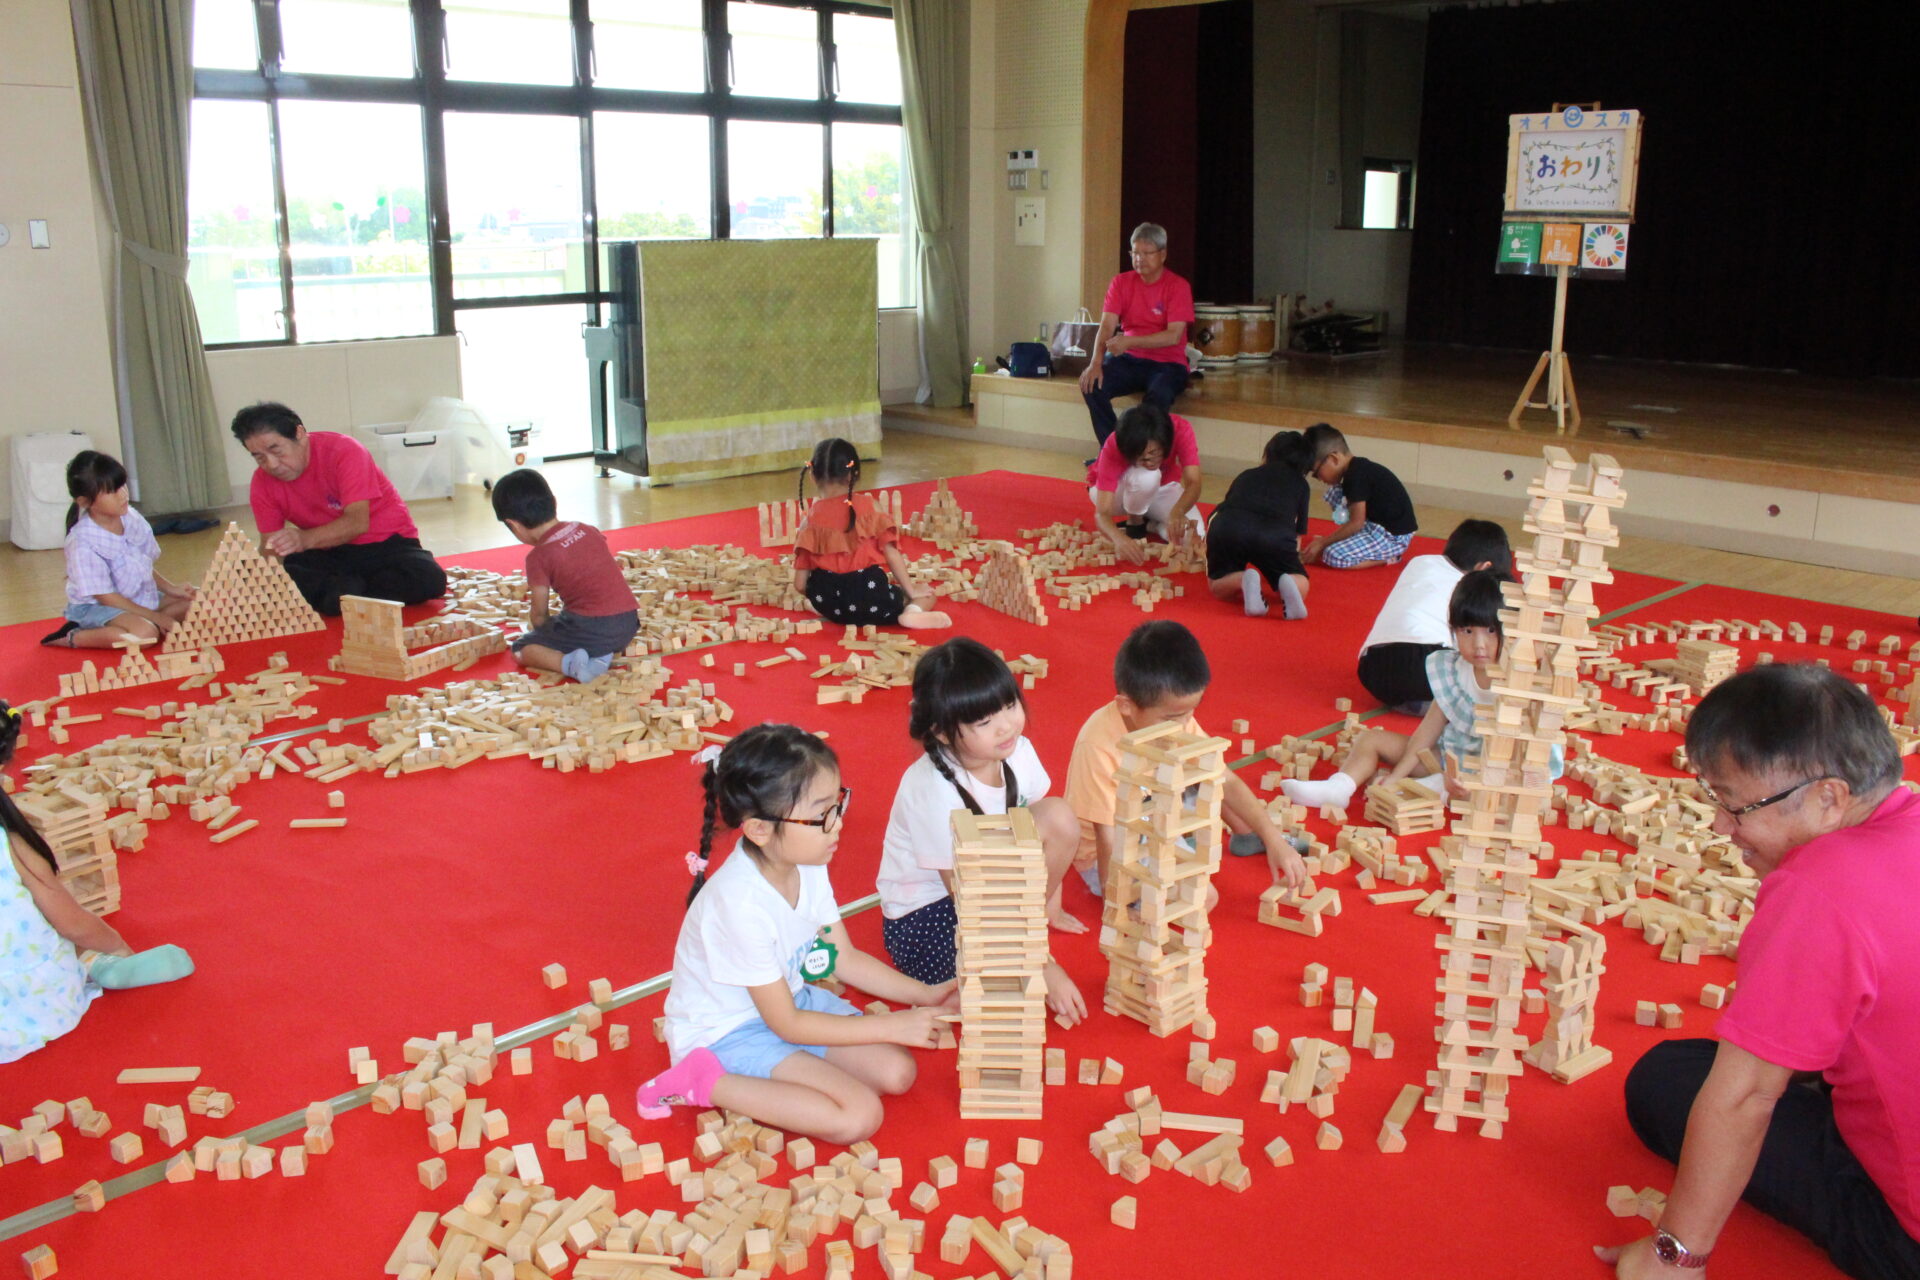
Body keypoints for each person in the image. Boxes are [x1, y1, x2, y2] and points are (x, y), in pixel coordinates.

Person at [1597, 665, 1920, 1280]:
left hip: (1906, 1237)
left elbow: (1746, 1098)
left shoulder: (1819, 888)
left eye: (1735, 805)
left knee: (1667, 1081)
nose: (1721, 826)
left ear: (1829, 799)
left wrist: (1676, 1257)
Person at [636, 725, 957, 1144]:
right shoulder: (738, 905)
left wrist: (926, 995)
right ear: (759, 830)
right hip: (729, 1032)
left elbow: (843, 958)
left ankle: (791, 1070)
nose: (837, 824)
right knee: (858, 1115)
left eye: (838, 804)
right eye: (822, 814)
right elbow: (787, 1024)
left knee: (897, 1072)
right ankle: (702, 1081)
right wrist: (893, 1025)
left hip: (787, 1003)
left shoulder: (807, 861)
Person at [875, 637, 1088, 1027]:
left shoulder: (1017, 750)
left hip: (992, 879)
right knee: (982, 992)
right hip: (930, 911)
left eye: (1009, 705)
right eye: (984, 722)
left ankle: (1025, 924)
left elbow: (1044, 831)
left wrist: (1047, 908)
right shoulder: (932, 791)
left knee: (1058, 815)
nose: (1006, 726)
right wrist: (1039, 960)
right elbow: (964, 897)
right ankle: (1015, 944)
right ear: (942, 732)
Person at [1, 702, 194, 1063]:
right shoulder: (13, 845)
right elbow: (72, 923)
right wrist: (117, 945)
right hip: (32, 1007)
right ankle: (101, 964)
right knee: (53, 936)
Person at [1066, 621, 1310, 898]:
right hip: (1113, 849)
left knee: (1206, 770)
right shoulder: (1098, 746)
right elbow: (1107, 837)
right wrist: (1116, 901)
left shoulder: (1175, 722)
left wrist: (1274, 840)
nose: (1184, 725)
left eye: (1190, 712)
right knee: (1204, 897)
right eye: (1173, 717)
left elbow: (1226, 780)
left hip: (1157, 818)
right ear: (1126, 706)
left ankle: (1246, 834)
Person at [1281, 571, 1560, 812]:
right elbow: (1426, 734)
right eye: (1467, 631)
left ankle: (1434, 789)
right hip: (1447, 757)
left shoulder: (1519, 680)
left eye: (1490, 631)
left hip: (1495, 773)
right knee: (1371, 739)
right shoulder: (1454, 670)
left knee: (1502, 797)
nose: (1479, 644)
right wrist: (1396, 775)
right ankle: (1339, 788)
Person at [231, 402, 447, 616]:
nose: (272, 464)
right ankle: (348, 593)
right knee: (290, 572)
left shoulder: (344, 451)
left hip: (386, 544)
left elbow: (357, 523)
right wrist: (262, 578)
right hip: (327, 551)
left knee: (430, 580)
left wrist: (303, 539)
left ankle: (343, 595)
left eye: (276, 450)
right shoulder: (262, 482)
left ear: (299, 433)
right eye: (259, 457)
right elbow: (270, 546)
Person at [490, 468, 640, 684]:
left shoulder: (538, 557)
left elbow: (539, 616)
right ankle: (600, 654)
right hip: (628, 624)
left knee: (521, 649)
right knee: (572, 624)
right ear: (554, 502)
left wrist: (548, 634)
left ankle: (573, 664)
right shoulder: (586, 528)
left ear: (513, 525)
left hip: (593, 629)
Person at [40, 451, 198, 649]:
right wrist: (156, 617)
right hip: (99, 607)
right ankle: (74, 635)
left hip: (135, 597)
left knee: (200, 599)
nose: (123, 494)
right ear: (85, 501)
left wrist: (171, 588)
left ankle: (150, 622)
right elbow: (106, 597)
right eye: (112, 491)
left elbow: (141, 564)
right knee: (144, 635)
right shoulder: (82, 542)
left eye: (122, 485)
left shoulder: (130, 517)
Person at [1355, 519, 1513, 713]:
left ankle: (1415, 702)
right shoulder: (1468, 588)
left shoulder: (1419, 562)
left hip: (1371, 666)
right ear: (1484, 568)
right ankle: (1440, 705)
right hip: (1424, 666)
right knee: (1485, 658)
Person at [791, 438, 951, 630]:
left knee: (824, 595)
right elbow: (892, 554)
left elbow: (800, 585)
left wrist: (826, 598)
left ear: (812, 476)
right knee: (927, 595)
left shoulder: (808, 522)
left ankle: (835, 612)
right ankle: (912, 613)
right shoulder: (870, 506)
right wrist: (911, 590)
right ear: (853, 475)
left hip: (830, 604)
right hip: (871, 598)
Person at [1078, 223, 1195, 445]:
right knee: (1091, 385)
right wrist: (1095, 362)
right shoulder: (1120, 282)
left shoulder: (1178, 286)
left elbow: (1173, 336)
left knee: (1156, 400)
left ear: (1163, 255)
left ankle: (1143, 455)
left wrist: (1130, 341)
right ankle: (1114, 451)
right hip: (1129, 359)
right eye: (1135, 253)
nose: (1139, 259)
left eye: (1147, 253)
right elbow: (1107, 326)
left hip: (1168, 363)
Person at [1205, 430, 1314, 621]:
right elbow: (1297, 535)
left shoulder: (1247, 474)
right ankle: (1289, 582)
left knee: (1217, 586)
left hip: (1229, 527)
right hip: (1274, 536)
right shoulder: (1301, 485)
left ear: (1267, 455)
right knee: (1301, 583)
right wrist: (1289, 564)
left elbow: (1225, 508)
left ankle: (1242, 579)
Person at [1087, 403, 1204, 567]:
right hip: (1118, 493)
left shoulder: (1180, 429)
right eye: (1140, 457)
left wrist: (1178, 511)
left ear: (1165, 442)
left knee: (1194, 536)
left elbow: (1194, 482)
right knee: (1146, 475)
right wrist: (1118, 538)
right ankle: (1135, 521)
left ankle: (1153, 525)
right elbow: (1102, 513)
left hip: (1161, 488)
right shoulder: (1115, 442)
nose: (1148, 461)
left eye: (1153, 453)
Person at [1300, 424, 1419, 570]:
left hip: (1392, 537)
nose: (1319, 478)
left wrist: (1323, 543)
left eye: (1317, 473)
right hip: (1376, 525)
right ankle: (1356, 543)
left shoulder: (1355, 477)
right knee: (1335, 493)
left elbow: (1356, 523)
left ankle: (1389, 558)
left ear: (1334, 459)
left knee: (1333, 555)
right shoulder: (1356, 469)